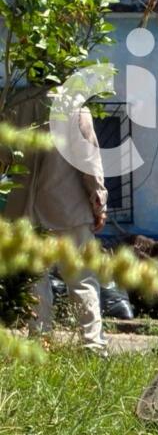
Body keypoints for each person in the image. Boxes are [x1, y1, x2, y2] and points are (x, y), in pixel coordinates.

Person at [3, 88, 109, 353]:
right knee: (82, 279)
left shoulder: (16, 102)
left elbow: (3, 156)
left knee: (35, 278)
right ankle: (93, 346)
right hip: (67, 207)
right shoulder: (73, 105)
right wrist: (99, 201)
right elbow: (88, 158)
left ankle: (40, 340)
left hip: (25, 209)